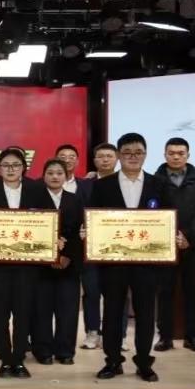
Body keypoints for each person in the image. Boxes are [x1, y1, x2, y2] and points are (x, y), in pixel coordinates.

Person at [89, 132, 168, 382]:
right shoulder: (103, 185)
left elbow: (168, 219)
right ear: (119, 155)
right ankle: (113, 361)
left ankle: (144, 362)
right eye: (127, 152)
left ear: (145, 154)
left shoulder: (159, 185)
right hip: (113, 262)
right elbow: (93, 217)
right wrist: (88, 230)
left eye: (138, 152)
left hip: (147, 262)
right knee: (112, 312)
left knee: (145, 313)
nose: (133, 157)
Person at [0, 148, 43, 379]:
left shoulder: (36, 189)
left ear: (23, 168)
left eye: (15, 165)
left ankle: (19, 359)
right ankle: (5, 359)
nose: (11, 169)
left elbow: (47, 218)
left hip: (27, 263)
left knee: (23, 312)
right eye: (6, 165)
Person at [154, 137, 195, 354]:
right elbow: (152, 211)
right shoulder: (155, 180)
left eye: (181, 153)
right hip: (164, 246)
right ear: (165, 155)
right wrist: (172, 235)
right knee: (165, 293)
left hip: (193, 245)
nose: (176, 157)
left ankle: (192, 337)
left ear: (188, 155)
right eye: (171, 153)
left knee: (194, 292)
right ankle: (165, 337)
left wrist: (186, 234)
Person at [31, 159, 84, 366]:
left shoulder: (75, 199)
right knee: (41, 310)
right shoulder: (34, 198)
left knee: (68, 310)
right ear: (43, 175)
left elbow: (80, 233)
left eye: (59, 173)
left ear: (65, 176)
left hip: (68, 264)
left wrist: (66, 255)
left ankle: (65, 351)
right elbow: (31, 230)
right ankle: (42, 350)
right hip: (41, 265)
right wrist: (50, 255)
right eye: (50, 173)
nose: (55, 176)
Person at [80, 143, 118, 350]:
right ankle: (92, 331)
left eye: (109, 156)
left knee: (117, 293)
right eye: (101, 156)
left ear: (116, 159)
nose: (105, 160)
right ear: (94, 160)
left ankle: (118, 335)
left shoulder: (125, 182)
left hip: (118, 246)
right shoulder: (84, 184)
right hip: (91, 246)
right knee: (91, 291)